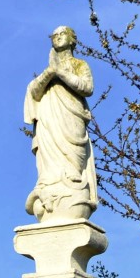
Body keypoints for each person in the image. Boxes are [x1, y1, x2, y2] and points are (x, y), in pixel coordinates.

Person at [24, 26, 99, 222]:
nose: (57, 37)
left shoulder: (79, 65)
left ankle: (73, 186)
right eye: (54, 35)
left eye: (62, 34)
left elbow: (87, 87)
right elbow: (34, 91)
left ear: (72, 39)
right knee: (51, 164)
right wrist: (51, 72)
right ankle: (49, 188)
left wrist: (62, 74)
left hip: (71, 116)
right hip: (49, 119)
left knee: (73, 156)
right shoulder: (48, 71)